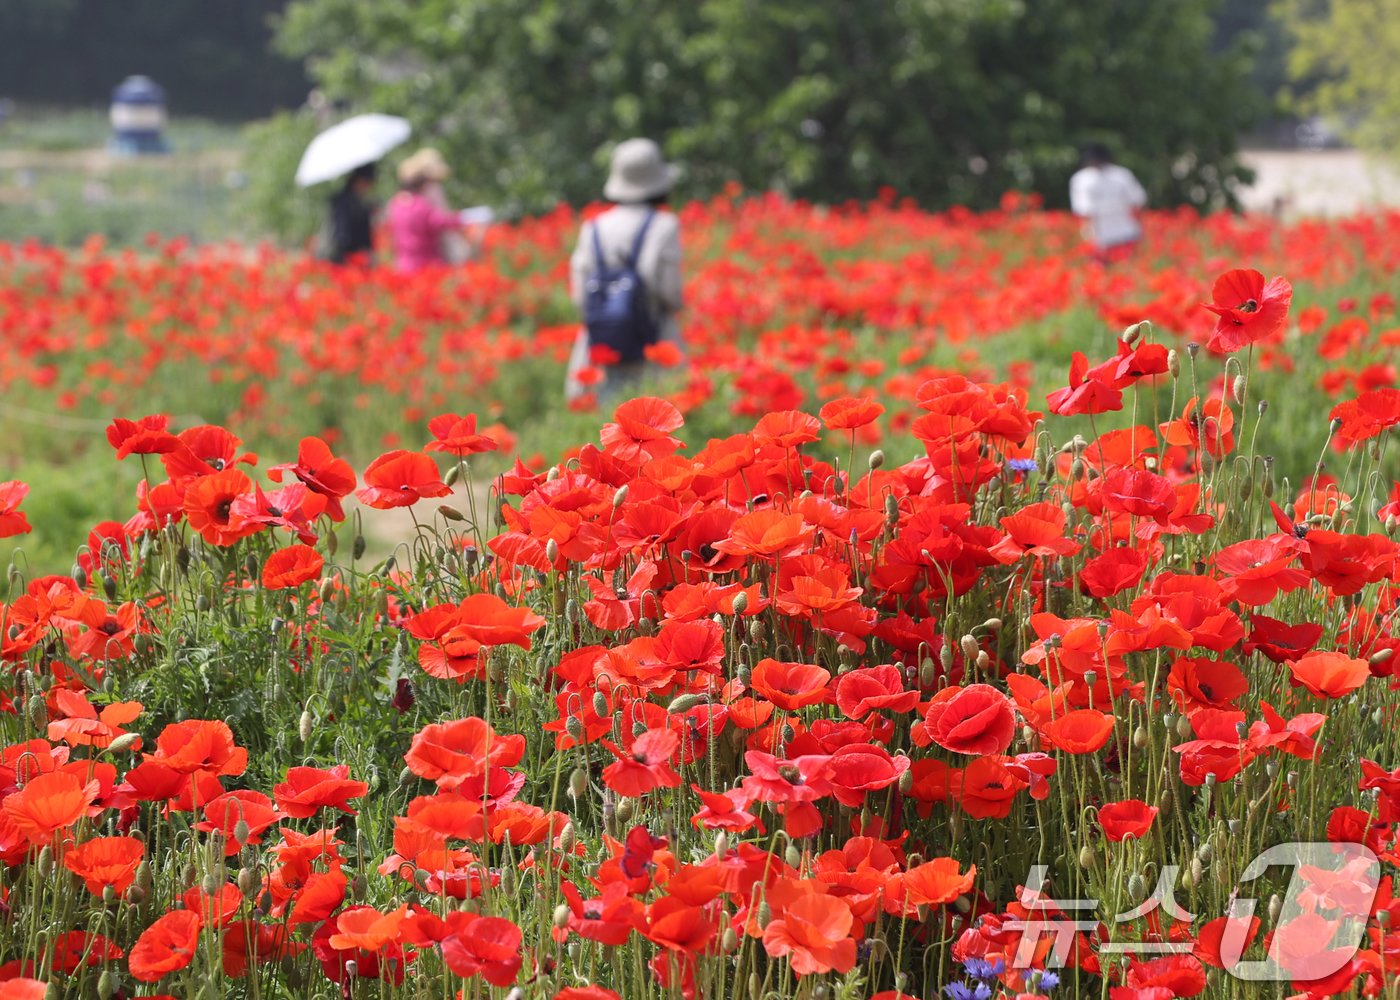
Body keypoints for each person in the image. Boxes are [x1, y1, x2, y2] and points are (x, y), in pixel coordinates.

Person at [566, 138, 683, 403]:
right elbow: (671, 293)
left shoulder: (593, 227)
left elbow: (580, 298)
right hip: (653, 344)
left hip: (602, 348)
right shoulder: (664, 225)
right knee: (655, 422)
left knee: (607, 425)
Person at [385, 148, 483, 274]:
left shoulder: (395, 203)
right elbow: (441, 222)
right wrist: (467, 217)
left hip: (404, 266)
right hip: (427, 267)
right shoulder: (420, 206)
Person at [1069, 143, 1147, 262]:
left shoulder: (1121, 175)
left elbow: (1138, 203)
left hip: (1125, 233)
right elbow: (1083, 211)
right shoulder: (1081, 179)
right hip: (1100, 237)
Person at [324, 162, 377, 265]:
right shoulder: (343, 202)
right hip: (343, 260)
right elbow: (342, 236)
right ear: (359, 181)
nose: (368, 188)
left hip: (352, 258)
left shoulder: (358, 202)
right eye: (368, 183)